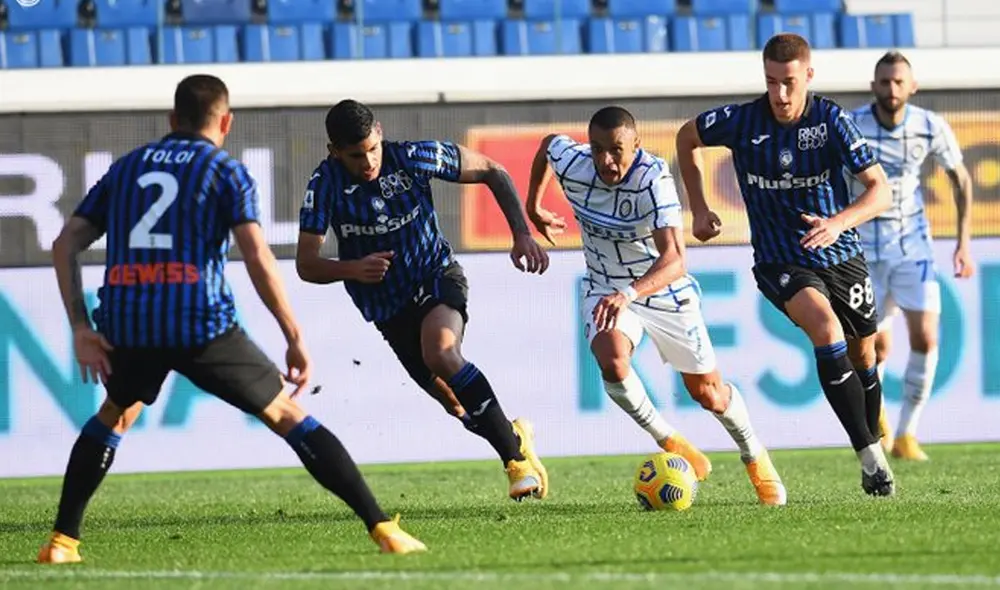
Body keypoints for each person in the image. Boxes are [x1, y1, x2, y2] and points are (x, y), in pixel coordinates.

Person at [37, 75, 426, 564]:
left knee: (115, 412)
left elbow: (64, 244)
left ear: (173, 119)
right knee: (285, 414)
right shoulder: (225, 171)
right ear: (226, 122)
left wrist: (80, 327)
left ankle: (62, 542)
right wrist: (293, 335)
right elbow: (257, 257)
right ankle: (383, 528)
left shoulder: (127, 167)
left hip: (130, 321)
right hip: (199, 321)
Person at [526, 106, 786, 506]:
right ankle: (668, 438)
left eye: (616, 150)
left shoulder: (653, 178)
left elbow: (675, 259)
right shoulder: (575, 163)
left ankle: (754, 454)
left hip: (661, 288)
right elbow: (548, 146)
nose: (606, 160)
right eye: (597, 149)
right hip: (606, 285)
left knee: (709, 394)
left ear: (637, 144)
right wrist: (533, 206)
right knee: (612, 361)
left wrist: (630, 293)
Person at [674, 33, 897, 496]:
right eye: (771, 82)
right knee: (826, 329)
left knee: (865, 356)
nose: (779, 94)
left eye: (789, 82)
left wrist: (838, 223)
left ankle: (872, 442)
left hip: (841, 255)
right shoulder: (741, 121)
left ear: (808, 76)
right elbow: (687, 136)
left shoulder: (831, 120)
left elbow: (881, 191)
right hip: (780, 259)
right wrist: (698, 206)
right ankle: (871, 459)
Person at [295, 99, 549, 502]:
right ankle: (513, 435)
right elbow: (306, 264)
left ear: (379, 132)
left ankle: (515, 463)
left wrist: (521, 233)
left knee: (442, 352)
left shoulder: (413, 157)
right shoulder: (324, 184)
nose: (368, 161)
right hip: (387, 308)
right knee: (456, 405)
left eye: (372, 148)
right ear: (334, 151)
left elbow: (492, 170)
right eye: (356, 155)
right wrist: (353, 268)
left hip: (435, 275)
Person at [848, 51, 976, 461]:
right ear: (873, 86)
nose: (892, 89)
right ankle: (880, 422)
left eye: (899, 81)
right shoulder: (852, 125)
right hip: (863, 249)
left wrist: (963, 242)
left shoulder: (929, 125)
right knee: (876, 348)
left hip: (912, 247)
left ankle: (907, 434)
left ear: (912, 87)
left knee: (926, 337)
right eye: (885, 82)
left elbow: (961, 179)